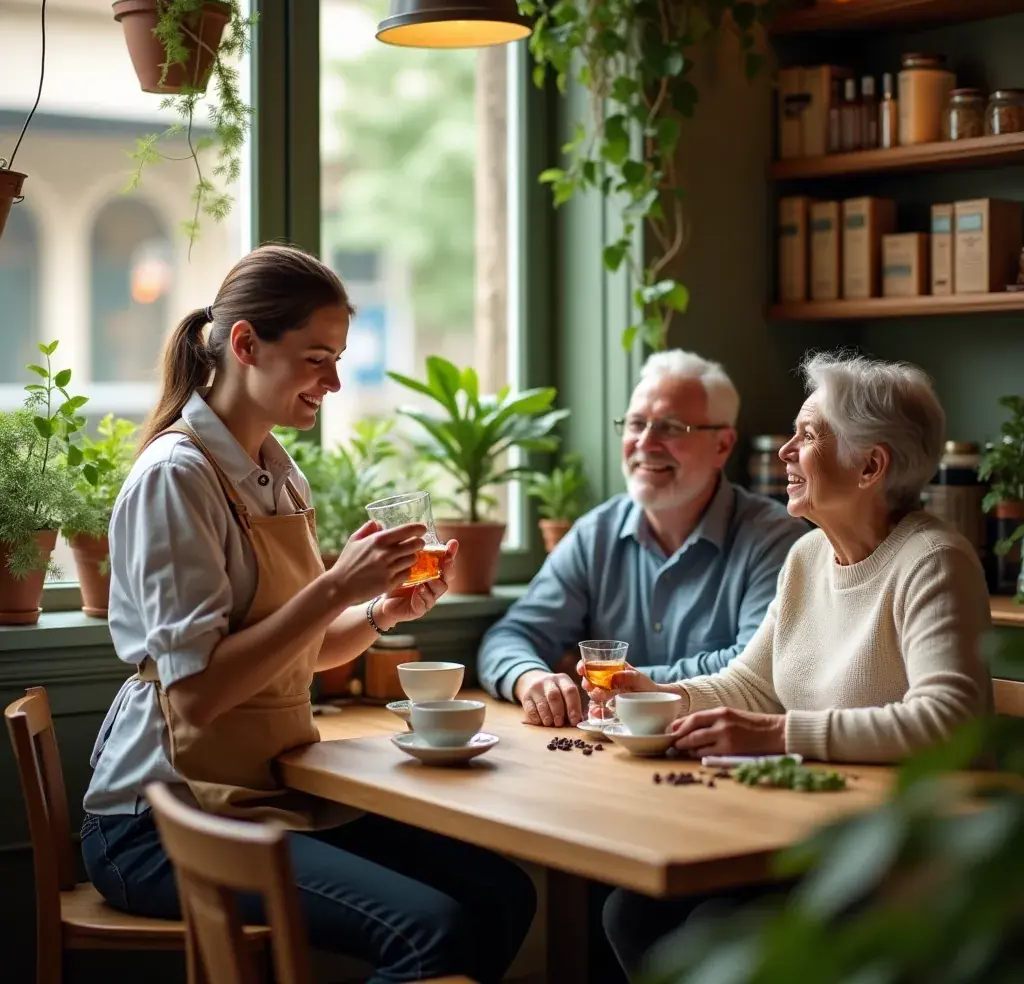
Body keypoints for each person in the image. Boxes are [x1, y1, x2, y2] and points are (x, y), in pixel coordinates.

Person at [80, 244, 535, 984]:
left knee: (501, 892)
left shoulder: (276, 471)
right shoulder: (176, 478)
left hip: (259, 794)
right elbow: (196, 696)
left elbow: (306, 654)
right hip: (162, 823)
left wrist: (381, 609)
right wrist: (333, 588)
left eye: (339, 357)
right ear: (246, 344)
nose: (334, 379)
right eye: (318, 357)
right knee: (433, 932)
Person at [597, 351, 993, 980]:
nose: (784, 452)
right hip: (804, 826)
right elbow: (754, 683)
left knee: (688, 930)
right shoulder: (808, 555)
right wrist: (654, 693)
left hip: (889, 853)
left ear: (871, 465)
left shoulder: (934, 561)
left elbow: (952, 720)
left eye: (808, 436)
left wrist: (780, 735)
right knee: (631, 913)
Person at [477, 349, 809, 728]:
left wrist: (607, 679)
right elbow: (511, 635)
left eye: (671, 428)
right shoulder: (594, 534)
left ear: (722, 445)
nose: (646, 443)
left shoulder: (777, 541)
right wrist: (532, 679)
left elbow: (753, 671)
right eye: (636, 424)